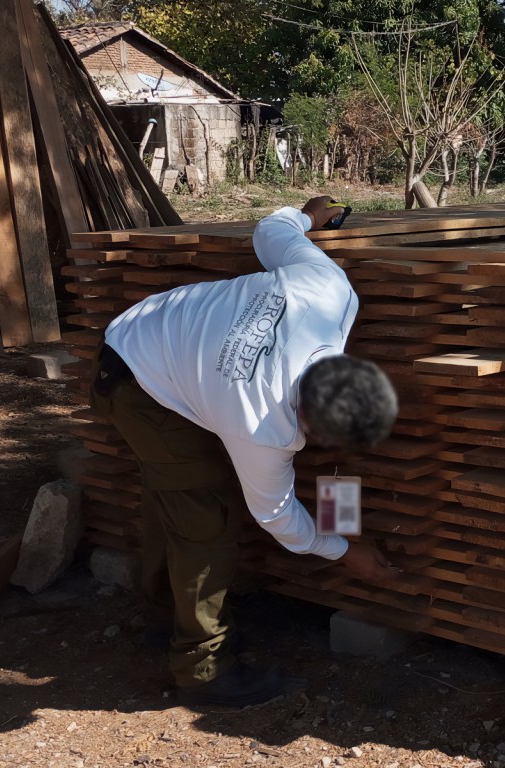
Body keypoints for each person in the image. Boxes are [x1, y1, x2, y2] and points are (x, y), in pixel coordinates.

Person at [89, 196, 399, 708]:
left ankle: (169, 614)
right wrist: (346, 553)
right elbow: (277, 517)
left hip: (168, 338)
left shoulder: (329, 290)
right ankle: (202, 668)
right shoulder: (262, 428)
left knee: (177, 494)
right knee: (205, 520)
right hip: (138, 379)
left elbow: (271, 231)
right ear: (304, 419)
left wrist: (306, 215)